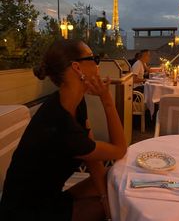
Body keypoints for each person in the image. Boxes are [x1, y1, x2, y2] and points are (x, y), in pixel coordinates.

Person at [0, 39, 127, 221]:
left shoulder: (71, 102)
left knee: (113, 182)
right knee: (113, 201)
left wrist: (105, 197)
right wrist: (106, 99)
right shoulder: (60, 124)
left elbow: (92, 158)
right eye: (94, 59)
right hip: (26, 213)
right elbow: (120, 149)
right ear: (77, 67)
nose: (98, 64)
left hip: (48, 197)